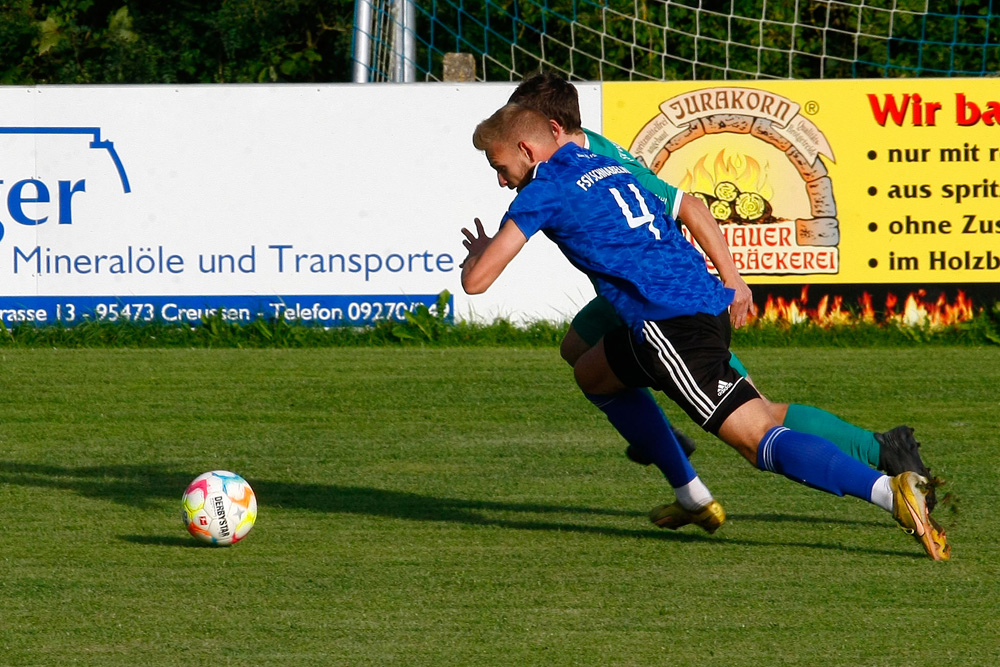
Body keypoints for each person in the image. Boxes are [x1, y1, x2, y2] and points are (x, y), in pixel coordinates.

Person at [461, 103, 949, 560]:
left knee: (757, 436)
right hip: (701, 304)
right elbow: (683, 207)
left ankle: (889, 491)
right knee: (592, 372)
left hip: (670, 326)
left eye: (499, 167)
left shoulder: (542, 190)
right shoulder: (604, 164)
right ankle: (690, 495)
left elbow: (476, 283)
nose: (503, 182)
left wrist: (476, 253)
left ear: (527, 150)